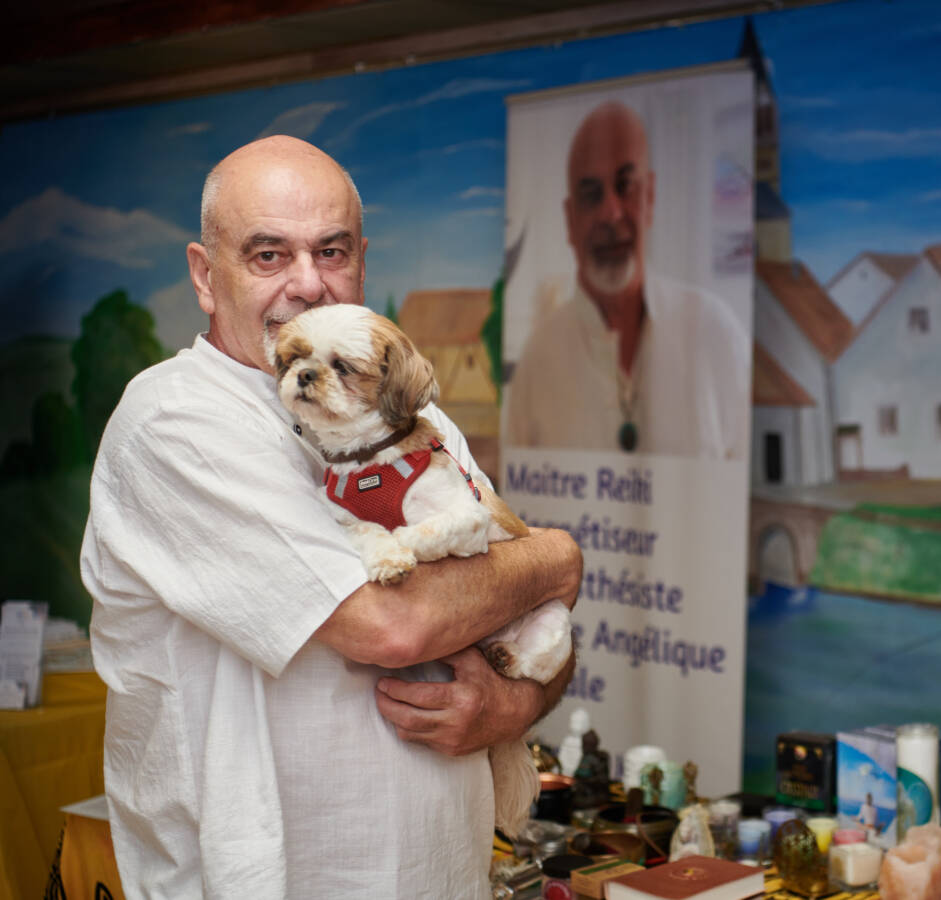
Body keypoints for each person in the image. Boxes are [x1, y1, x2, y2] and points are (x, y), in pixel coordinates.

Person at [80, 135, 582, 899]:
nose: (309, 284)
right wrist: (557, 559)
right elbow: (390, 626)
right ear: (204, 275)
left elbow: (525, 622)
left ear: (362, 263)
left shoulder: (418, 416)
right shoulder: (175, 419)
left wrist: (516, 702)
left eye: (332, 251)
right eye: (268, 255)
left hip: (441, 877)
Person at [504, 100, 750, 459]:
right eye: (591, 194)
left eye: (626, 186)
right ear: (570, 220)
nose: (611, 212)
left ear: (649, 197)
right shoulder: (538, 361)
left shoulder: (718, 337)